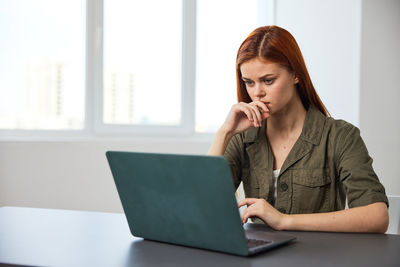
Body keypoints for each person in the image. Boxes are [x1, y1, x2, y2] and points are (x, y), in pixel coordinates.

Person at [208, 26, 389, 233]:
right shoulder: (242, 138)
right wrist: (224, 133)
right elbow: (202, 209)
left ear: (295, 74)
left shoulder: (340, 136)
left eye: (268, 80)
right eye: (249, 83)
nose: (257, 93)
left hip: (318, 258)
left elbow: (377, 216)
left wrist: (284, 221)